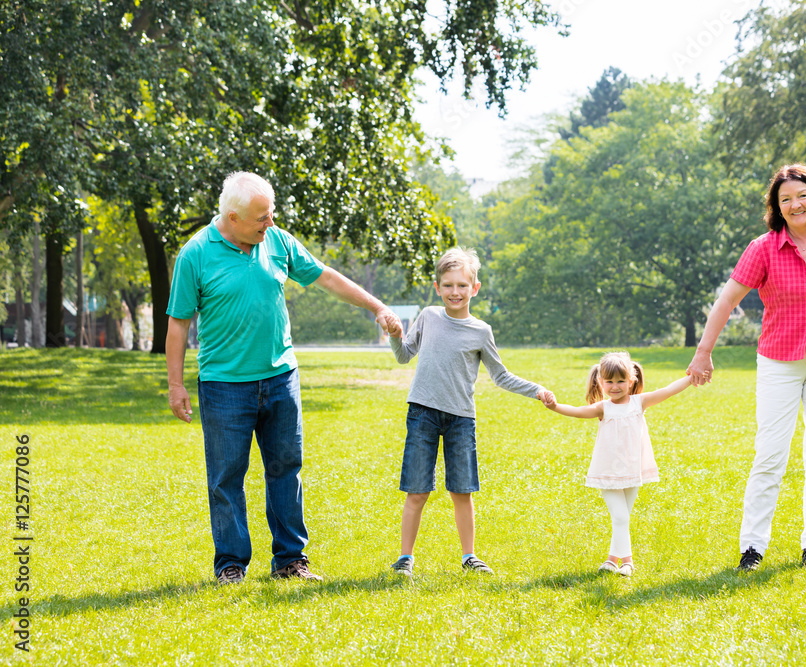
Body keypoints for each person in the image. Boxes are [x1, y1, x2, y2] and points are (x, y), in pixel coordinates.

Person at [165, 171, 402, 585]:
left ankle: (291, 560)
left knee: (286, 469)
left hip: (280, 377)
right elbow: (178, 324)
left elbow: (325, 276)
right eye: (261, 217)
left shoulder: (276, 241)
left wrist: (375, 305)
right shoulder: (196, 254)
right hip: (224, 386)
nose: (269, 223)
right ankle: (231, 566)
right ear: (232, 217)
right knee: (225, 478)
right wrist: (175, 384)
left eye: (271, 214)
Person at [687, 163, 806, 571]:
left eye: (802, 196)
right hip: (779, 362)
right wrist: (704, 351)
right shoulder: (763, 248)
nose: (795, 204)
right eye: (785, 198)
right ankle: (752, 548)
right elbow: (726, 301)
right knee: (770, 455)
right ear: (776, 205)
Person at [386, 247, 555, 577]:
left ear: (474, 288)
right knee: (417, 490)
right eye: (448, 285)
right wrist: (395, 336)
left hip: (461, 419)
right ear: (437, 288)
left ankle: (469, 557)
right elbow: (405, 355)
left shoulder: (481, 331)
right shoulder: (428, 317)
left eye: (462, 285)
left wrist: (535, 390)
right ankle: (405, 558)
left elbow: (500, 375)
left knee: (462, 490)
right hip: (422, 412)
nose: (455, 292)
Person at [545, 351, 692, 577]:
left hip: (633, 470)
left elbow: (668, 390)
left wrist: (693, 377)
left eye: (621, 381)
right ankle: (628, 562)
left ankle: (612, 560)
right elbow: (576, 412)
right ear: (600, 382)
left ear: (631, 380)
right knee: (620, 517)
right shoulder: (603, 408)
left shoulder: (639, 402)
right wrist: (554, 406)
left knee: (622, 517)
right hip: (608, 471)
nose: (615, 386)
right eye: (610, 381)